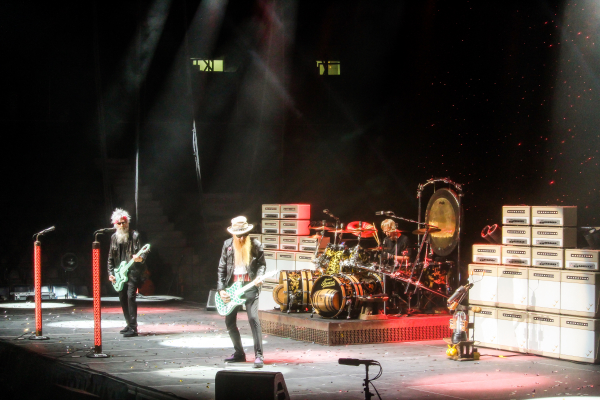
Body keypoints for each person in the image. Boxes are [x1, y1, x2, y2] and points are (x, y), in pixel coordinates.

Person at [217, 216, 266, 368]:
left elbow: (262, 265)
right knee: (229, 321)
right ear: (233, 234)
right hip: (233, 286)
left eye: (244, 234)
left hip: (250, 285)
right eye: (238, 235)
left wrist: (259, 278)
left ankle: (259, 355)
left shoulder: (255, 244)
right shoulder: (227, 245)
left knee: (253, 319)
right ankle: (239, 353)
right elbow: (222, 268)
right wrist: (221, 289)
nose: (241, 238)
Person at [107, 208, 147, 337]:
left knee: (130, 297)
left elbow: (144, 252)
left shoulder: (135, 236)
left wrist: (140, 259)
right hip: (120, 273)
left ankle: (133, 328)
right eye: (119, 223)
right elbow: (110, 258)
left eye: (124, 222)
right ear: (115, 224)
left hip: (133, 272)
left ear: (127, 222)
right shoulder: (113, 237)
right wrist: (110, 273)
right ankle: (128, 323)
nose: (122, 225)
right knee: (122, 297)